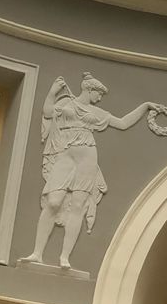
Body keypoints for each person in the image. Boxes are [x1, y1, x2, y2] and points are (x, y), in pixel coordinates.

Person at [24, 73, 153, 270]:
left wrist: (145, 106)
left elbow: (123, 123)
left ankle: (65, 257)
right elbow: (48, 112)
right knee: (53, 201)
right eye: (98, 94)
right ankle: (37, 253)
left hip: (87, 156)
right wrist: (52, 91)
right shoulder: (67, 102)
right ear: (90, 89)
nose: (100, 98)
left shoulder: (97, 113)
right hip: (65, 155)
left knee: (78, 205)